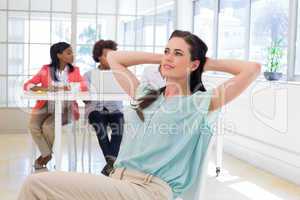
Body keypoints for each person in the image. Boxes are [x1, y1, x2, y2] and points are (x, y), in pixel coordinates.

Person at [18, 30, 261, 200]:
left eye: (178, 53)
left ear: (194, 65)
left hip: (148, 191)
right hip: (117, 183)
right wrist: (167, 58)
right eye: (167, 50)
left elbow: (252, 69)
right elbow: (114, 58)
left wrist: (205, 62)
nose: (168, 56)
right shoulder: (146, 95)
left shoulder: (198, 103)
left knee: (35, 185)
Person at [23, 42, 87, 170]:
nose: (72, 55)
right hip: (46, 105)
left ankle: (44, 156)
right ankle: (47, 154)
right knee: (33, 125)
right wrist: (45, 88)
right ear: (58, 55)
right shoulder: (45, 70)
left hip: (67, 108)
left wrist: (65, 87)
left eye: (71, 52)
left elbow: (83, 86)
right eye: (68, 52)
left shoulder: (75, 71)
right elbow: (28, 85)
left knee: (48, 126)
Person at [84, 40, 124, 176]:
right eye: (107, 56)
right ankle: (111, 162)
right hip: (96, 110)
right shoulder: (89, 75)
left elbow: (128, 92)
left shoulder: (120, 74)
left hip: (115, 110)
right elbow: (85, 99)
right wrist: (93, 92)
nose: (111, 59)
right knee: (99, 124)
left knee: (119, 126)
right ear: (99, 57)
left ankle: (109, 162)